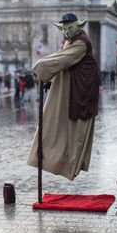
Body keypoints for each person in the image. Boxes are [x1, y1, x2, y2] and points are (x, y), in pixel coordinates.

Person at [27, 12, 100, 181]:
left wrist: (41, 67)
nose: (66, 32)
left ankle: (69, 163)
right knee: (54, 124)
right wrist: (50, 78)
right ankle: (52, 159)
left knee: (73, 131)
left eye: (69, 29)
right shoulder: (70, 41)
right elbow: (62, 59)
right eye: (64, 30)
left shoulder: (81, 43)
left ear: (77, 26)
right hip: (70, 86)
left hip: (80, 91)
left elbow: (62, 59)